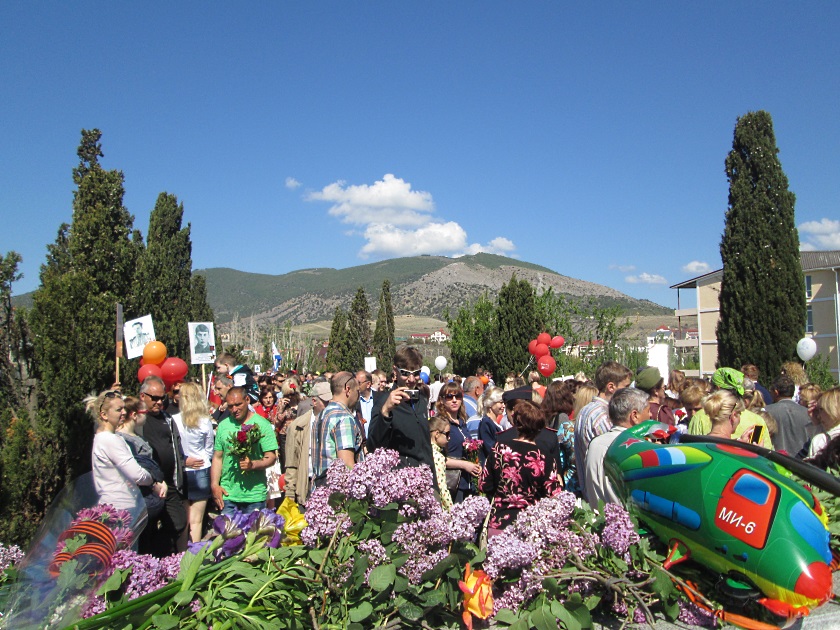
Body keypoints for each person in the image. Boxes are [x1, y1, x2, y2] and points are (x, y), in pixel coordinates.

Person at [479, 400, 563, 536]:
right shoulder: (545, 457)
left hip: (500, 523)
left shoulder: (499, 449)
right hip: (531, 527)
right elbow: (554, 494)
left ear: (516, 424)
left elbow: (484, 485)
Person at [88, 390, 163, 512]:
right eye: (119, 410)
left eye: (124, 408)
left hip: (113, 504)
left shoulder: (103, 437)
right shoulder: (110, 440)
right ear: (104, 415)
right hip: (120, 507)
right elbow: (137, 474)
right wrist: (153, 481)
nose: (124, 413)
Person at [139, 375, 188, 557]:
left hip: (170, 482)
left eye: (162, 398)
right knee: (147, 527)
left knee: (178, 522)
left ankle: (161, 555)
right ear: (143, 396)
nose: (159, 402)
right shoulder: (137, 420)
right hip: (147, 486)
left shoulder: (167, 418)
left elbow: (175, 444)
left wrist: (180, 464)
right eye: (155, 398)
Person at [211, 387, 279, 515]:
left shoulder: (262, 424)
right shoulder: (223, 425)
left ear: (247, 400)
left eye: (238, 405)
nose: (234, 410)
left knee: (252, 535)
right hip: (228, 495)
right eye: (230, 406)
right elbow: (218, 457)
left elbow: (271, 457)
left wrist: (253, 464)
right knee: (229, 535)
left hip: (254, 496)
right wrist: (215, 485)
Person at [368, 346, 436, 475]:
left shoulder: (421, 399)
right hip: (400, 482)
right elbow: (373, 446)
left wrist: (435, 486)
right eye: (405, 373)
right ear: (395, 371)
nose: (411, 379)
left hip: (426, 480)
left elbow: (426, 447)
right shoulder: (383, 402)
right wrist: (385, 412)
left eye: (416, 373)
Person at [584, 387, 650, 509]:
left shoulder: (595, 443)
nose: (651, 415)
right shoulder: (635, 447)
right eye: (648, 410)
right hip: (624, 524)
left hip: (597, 521)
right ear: (634, 416)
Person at [574, 361, 632, 494]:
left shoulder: (585, 410)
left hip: (591, 492)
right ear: (611, 387)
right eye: (626, 386)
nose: (628, 392)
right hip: (603, 495)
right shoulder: (603, 416)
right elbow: (613, 457)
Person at [687, 368, 773, 449]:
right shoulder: (757, 420)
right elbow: (769, 456)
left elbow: (692, 449)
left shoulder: (699, 416)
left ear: (717, 388)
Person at [172, 382, 215, 542]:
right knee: (196, 521)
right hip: (201, 468)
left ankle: (181, 555)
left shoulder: (173, 420)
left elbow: (173, 447)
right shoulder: (205, 421)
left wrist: (184, 461)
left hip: (182, 470)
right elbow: (209, 448)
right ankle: (194, 556)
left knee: (184, 520)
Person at [310, 372, 363, 488]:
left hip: (319, 489)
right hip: (337, 494)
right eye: (357, 391)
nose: (359, 395)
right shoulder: (344, 418)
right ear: (348, 389)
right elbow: (347, 464)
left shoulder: (321, 415)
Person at [117, 396, 166, 519]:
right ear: (134, 415)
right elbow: (137, 469)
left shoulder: (137, 436)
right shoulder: (124, 440)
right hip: (139, 496)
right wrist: (155, 484)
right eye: (144, 413)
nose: (146, 416)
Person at [285, 381, 332, 504]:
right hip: (307, 485)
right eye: (326, 402)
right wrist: (290, 493)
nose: (330, 405)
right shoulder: (297, 426)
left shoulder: (337, 422)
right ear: (314, 401)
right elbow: (291, 462)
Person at [436, 381, 481, 504]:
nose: (454, 400)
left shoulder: (462, 422)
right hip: (451, 481)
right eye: (450, 397)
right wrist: (464, 465)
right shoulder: (440, 423)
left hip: (467, 481)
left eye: (458, 396)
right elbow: (437, 457)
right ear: (442, 400)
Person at [765, 375, 812, 456]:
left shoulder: (766, 412)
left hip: (776, 459)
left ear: (776, 392)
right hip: (801, 461)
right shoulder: (808, 413)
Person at [429, 416, 454, 511]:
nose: (449, 437)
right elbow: (442, 487)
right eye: (447, 434)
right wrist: (451, 510)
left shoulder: (425, 451)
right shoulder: (438, 457)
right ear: (437, 434)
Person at [807, 388, 840, 459]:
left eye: (821, 409)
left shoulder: (820, 440)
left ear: (833, 409)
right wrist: (816, 425)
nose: (818, 416)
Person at [476, 387, 506, 462]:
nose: (504, 406)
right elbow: (490, 449)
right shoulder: (486, 423)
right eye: (501, 402)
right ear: (490, 403)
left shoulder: (494, 423)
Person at [355, 370, 375, 436]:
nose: (356, 386)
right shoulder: (354, 401)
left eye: (359, 383)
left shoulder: (380, 398)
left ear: (368, 384)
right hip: (363, 442)